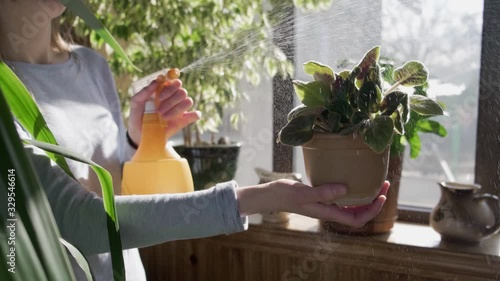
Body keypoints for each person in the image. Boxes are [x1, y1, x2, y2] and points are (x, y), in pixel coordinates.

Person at [0, 1, 389, 280]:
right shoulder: (5, 92)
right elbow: (79, 221)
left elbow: (119, 192)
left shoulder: (92, 66)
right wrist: (263, 198)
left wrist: (141, 140)